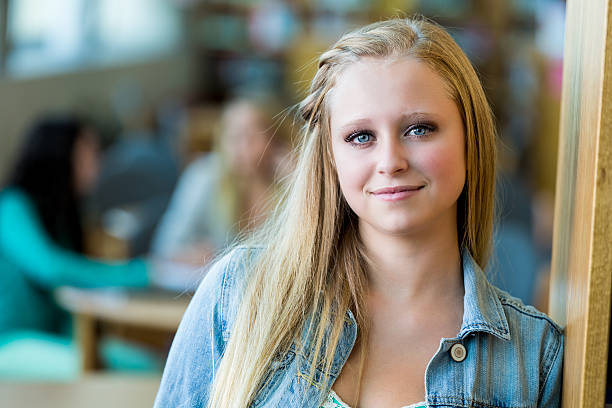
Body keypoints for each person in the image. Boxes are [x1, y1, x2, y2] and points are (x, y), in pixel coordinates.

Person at [155, 18, 563, 408]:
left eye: (419, 128)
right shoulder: (239, 293)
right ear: (331, 158)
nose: (390, 161)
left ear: (470, 139)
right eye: (360, 136)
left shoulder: (534, 355)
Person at [0, 115, 156, 378]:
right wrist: (141, 272)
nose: (98, 162)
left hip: (51, 339)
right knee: (97, 371)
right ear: (60, 157)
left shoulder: (62, 216)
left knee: (147, 365)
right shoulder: (12, 207)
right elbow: (52, 269)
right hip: (10, 342)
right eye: (89, 152)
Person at [151, 98, 287, 265]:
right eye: (233, 137)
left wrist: (297, 183)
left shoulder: (289, 180)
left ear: (274, 140)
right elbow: (165, 247)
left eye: (251, 136)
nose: (241, 148)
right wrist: (198, 255)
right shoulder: (203, 176)